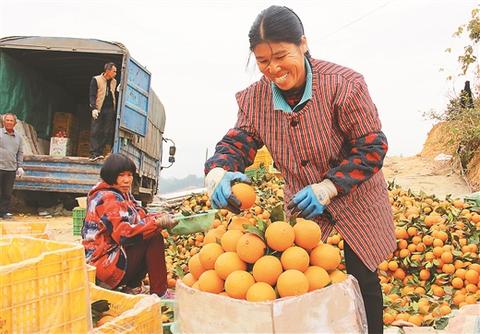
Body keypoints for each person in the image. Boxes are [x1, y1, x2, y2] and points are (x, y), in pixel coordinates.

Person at [204, 6, 395, 333]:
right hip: (304, 204)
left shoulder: (343, 86)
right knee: (299, 285)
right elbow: (239, 141)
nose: (274, 68)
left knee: (363, 279)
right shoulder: (255, 100)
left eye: (281, 55)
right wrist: (219, 171)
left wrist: (329, 186)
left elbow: (371, 145)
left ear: (303, 44)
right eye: (263, 61)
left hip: (357, 198)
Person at [82, 153, 177, 297]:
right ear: (111, 176)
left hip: (111, 259)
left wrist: (160, 218)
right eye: (121, 175)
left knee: (149, 232)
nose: (127, 180)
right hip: (101, 267)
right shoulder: (107, 197)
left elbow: (140, 217)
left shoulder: (122, 193)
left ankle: (132, 286)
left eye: (130, 175)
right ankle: (160, 292)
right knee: (153, 237)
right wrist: (156, 224)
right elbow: (124, 234)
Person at [89, 62, 118, 162]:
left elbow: (115, 94)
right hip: (99, 109)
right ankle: (93, 153)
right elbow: (92, 95)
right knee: (95, 131)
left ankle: (100, 152)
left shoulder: (114, 82)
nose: (115, 73)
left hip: (109, 109)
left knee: (106, 132)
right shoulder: (96, 80)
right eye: (114, 71)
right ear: (108, 71)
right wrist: (93, 108)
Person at [0, 113, 24, 219]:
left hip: (11, 169)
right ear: (4, 122)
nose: (9, 122)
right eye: (7, 120)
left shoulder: (18, 137)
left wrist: (20, 166)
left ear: (15, 123)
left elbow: (20, 152)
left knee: (7, 192)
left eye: (11, 121)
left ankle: (4, 212)